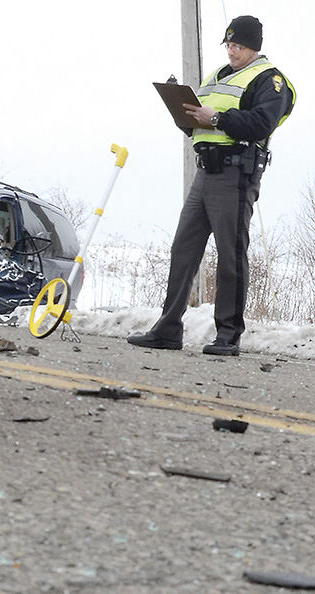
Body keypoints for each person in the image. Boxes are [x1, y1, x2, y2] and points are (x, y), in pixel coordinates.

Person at [128, 15, 295, 356]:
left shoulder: (271, 80)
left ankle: (228, 335)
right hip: (204, 172)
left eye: (239, 46)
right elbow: (199, 123)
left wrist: (215, 118)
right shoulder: (217, 76)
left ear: (254, 47)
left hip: (236, 173)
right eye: (229, 45)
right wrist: (184, 112)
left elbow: (261, 123)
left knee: (230, 254)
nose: (232, 51)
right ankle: (168, 329)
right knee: (183, 249)